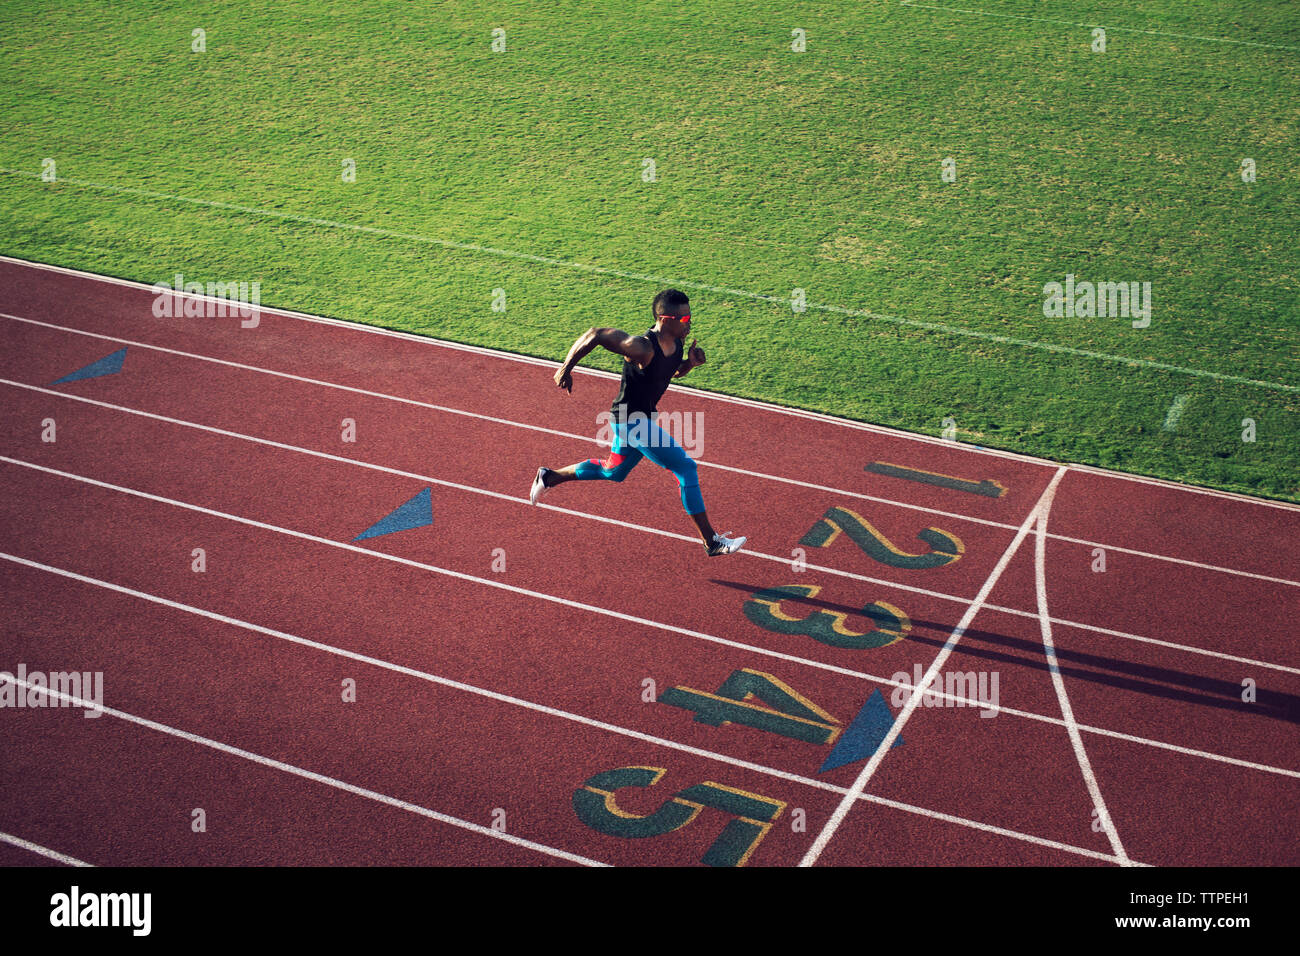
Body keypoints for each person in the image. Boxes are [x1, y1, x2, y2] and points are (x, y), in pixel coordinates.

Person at [529, 289, 746, 557]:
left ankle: (549, 476)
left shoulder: (677, 344)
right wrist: (565, 368)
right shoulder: (641, 347)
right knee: (686, 468)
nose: (690, 322)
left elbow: (668, 371)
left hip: (636, 421)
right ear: (666, 319)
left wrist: (689, 365)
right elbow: (596, 333)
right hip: (632, 422)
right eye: (685, 317)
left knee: (613, 473)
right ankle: (711, 542)